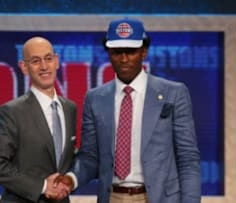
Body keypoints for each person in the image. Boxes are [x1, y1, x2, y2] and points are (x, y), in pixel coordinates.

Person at [57, 18, 201, 203]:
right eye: (117, 52)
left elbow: (188, 158)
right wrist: (70, 180)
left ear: (144, 51)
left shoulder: (173, 93)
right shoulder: (95, 98)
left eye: (131, 51)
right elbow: (90, 157)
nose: (124, 58)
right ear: (108, 53)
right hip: (112, 197)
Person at [0, 36, 76, 203]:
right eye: (35, 61)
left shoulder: (70, 108)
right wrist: (41, 186)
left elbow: (65, 158)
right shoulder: (12, 112)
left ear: (56, 61)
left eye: (48, 59)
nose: (44, 66)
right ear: (24, 67)